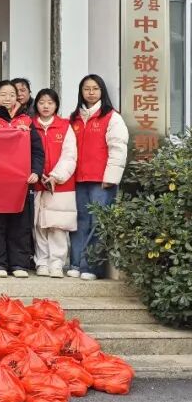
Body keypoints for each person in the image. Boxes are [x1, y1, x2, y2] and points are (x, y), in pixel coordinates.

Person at [0, 79, 45, 278]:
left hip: (20, 183)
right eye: (3, 94)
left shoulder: (26, 122)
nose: (8, 98)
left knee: (20, 225)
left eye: (12, 95)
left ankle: (19, 264)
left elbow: (37, 151)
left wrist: (36, 171)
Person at [68, 74, 128, 280]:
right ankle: (75, 263)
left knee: (99, 223)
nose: (91, 92)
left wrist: (111, 176)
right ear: (81, 92)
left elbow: (118, 148)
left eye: (95, 88)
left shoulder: (112, 117)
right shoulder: (74, 118)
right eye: (86, 89)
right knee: (79, 222)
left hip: (102, 181)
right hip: (78, 179)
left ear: (102, 91)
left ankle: (91, 267)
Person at [32, 88, 78, 278]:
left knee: (58, 226)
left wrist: (56, 176)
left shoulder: (65, 126)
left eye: (50, 103)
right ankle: (42, 262)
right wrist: (38, 173)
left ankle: (57, 263)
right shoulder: (30, 125)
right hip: (37, 183)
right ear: (36, 104)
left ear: (56, 105)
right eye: (42, 102)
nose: (46, 106)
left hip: (61, 185)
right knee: (39, 226)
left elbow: (70, 155)